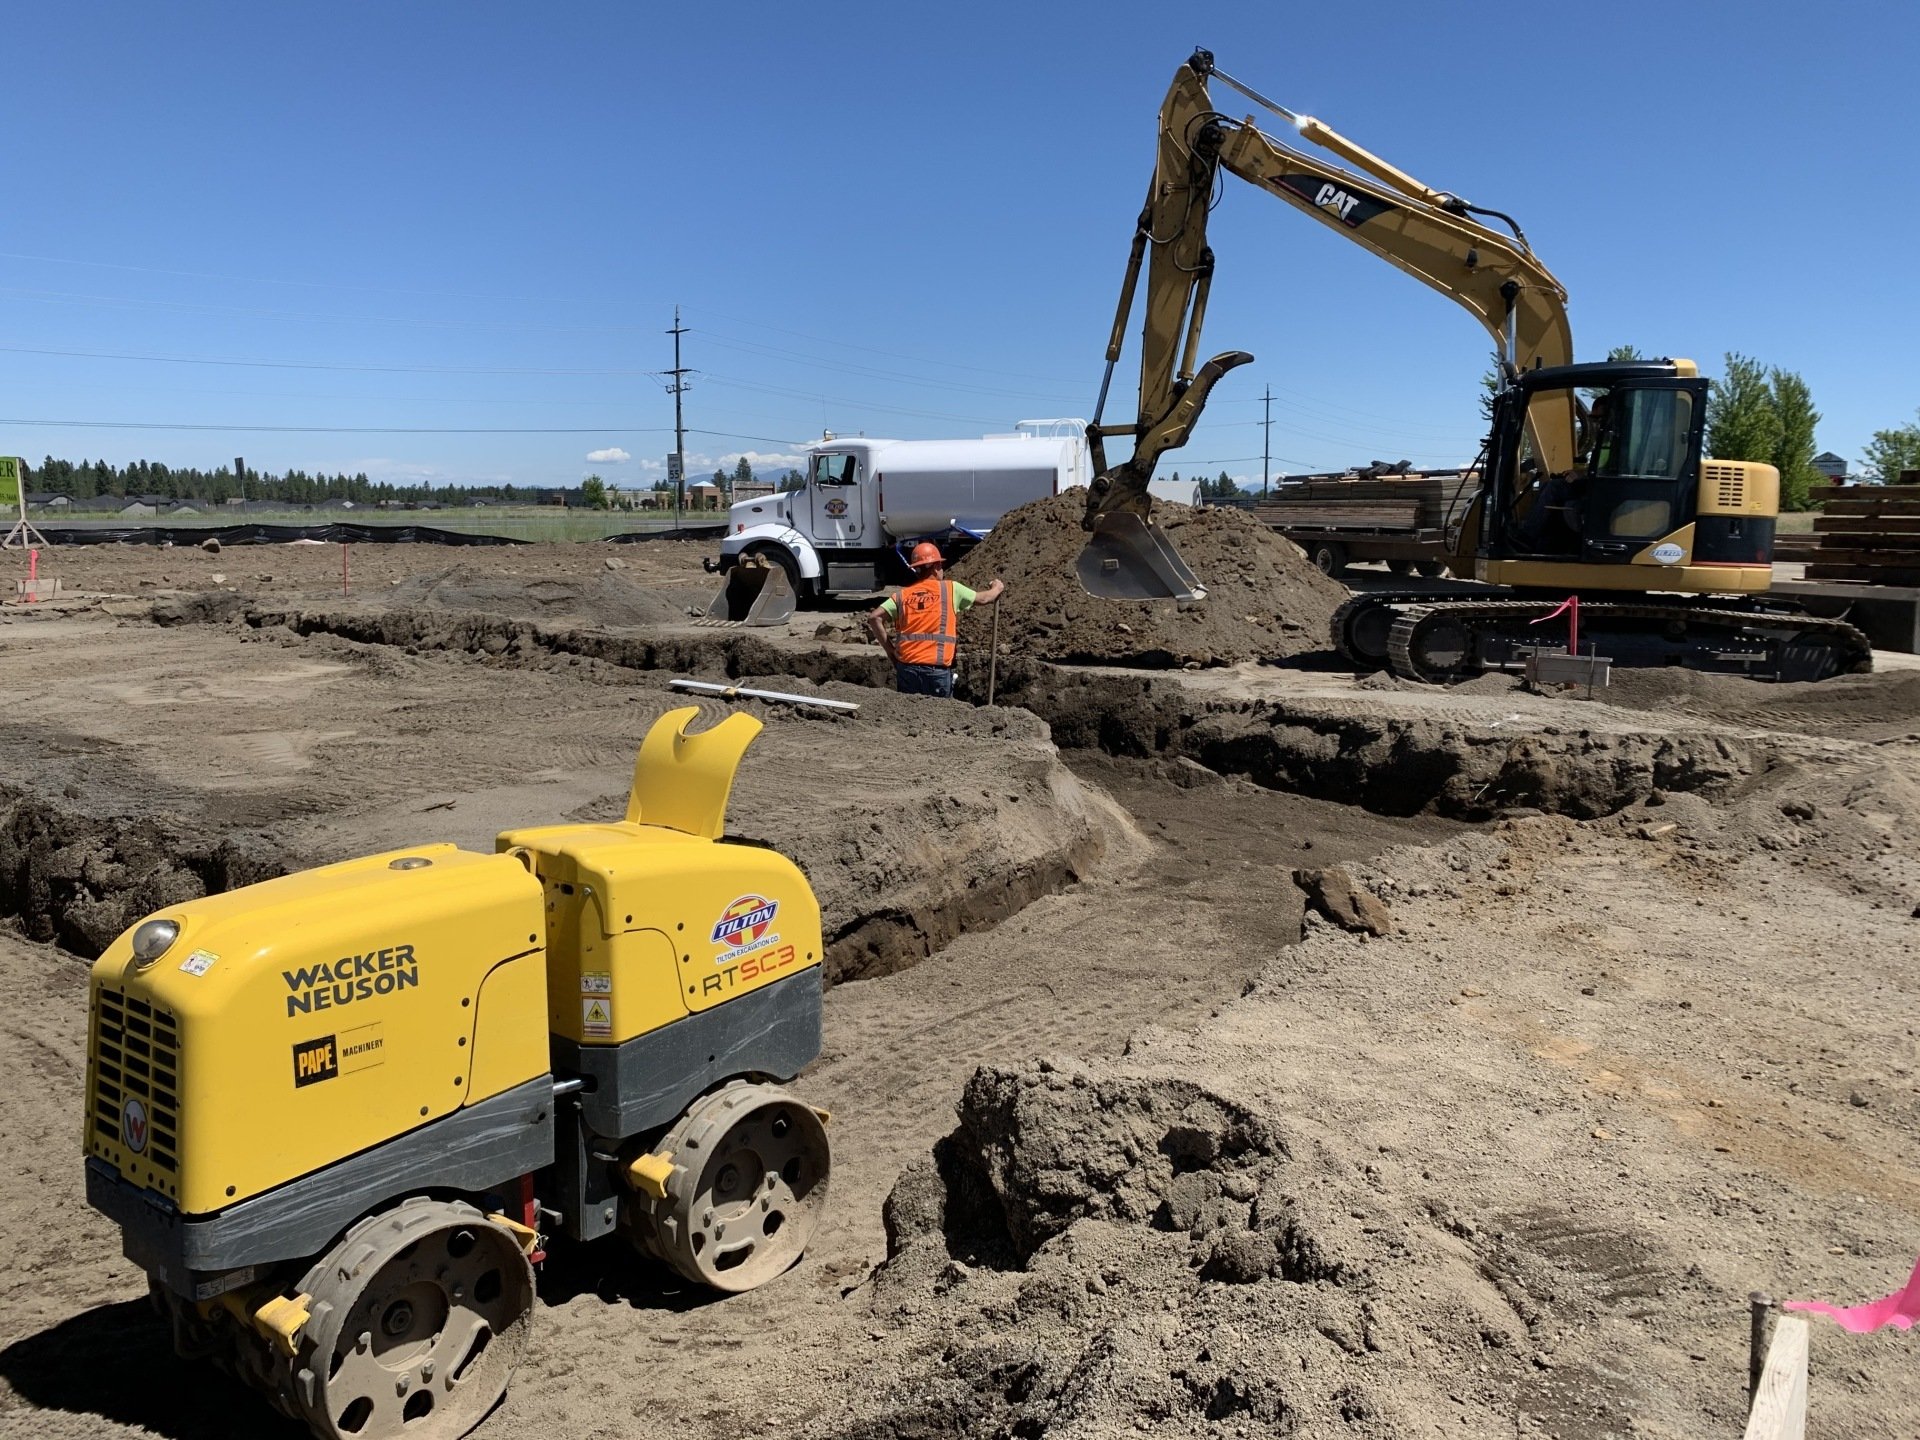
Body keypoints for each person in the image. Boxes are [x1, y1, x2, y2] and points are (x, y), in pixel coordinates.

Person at [866, 541, 1005, 697]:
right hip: (936, 672)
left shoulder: (902, 595)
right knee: (940, 718)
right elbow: (984, 599)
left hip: (907, 669)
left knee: (909, 717)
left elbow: (874, 617)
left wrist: (891, 653)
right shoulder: (951, 589)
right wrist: (997, 588)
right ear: (936, 566)